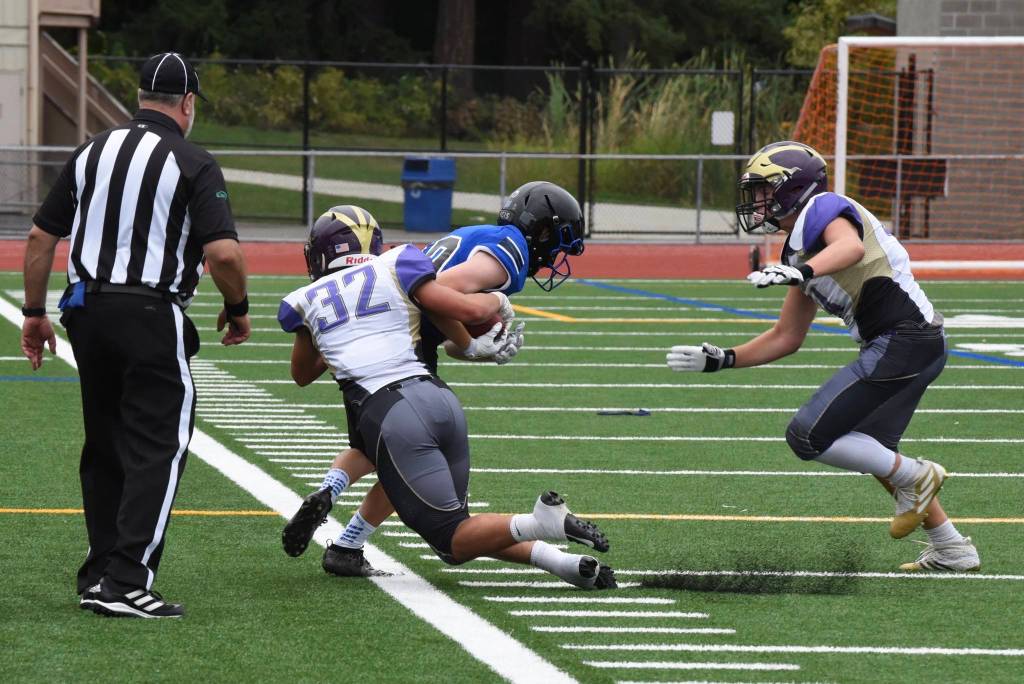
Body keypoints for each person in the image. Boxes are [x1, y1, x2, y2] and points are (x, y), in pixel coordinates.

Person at [666, 141, 979, 573]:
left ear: (794, 187)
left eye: (764, 188)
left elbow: (849, 247)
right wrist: (725, 358)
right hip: (913, 343)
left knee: (807, 436)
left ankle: (918, 476)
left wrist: (802, 271)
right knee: (874, 450)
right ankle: (952, 548)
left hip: (904, 339)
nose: (757, 200)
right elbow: (787, 336)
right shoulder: (798, 250)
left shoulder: (823, 207)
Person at [20, 52, 252, 618]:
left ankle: (101, 573)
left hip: (86, 311)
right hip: (150, 311)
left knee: (105, 444)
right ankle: (126, 581)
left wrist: (34, 312)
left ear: (140, 97)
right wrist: (238, 307)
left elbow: (39, 238)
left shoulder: (92, 151)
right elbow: (223, 254)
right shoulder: (193, 160)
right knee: (158, 444)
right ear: (188, 103)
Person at [277, 205, 614, 589]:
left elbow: (301, 375)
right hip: (440, 401)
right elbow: (463, 307)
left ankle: (540, 523)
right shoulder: (397, 261)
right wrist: (498, 304)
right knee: (457, 528)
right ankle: (563, 563)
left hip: (391, 414)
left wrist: (334, 333)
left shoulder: (305, 299)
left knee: (450, 537)